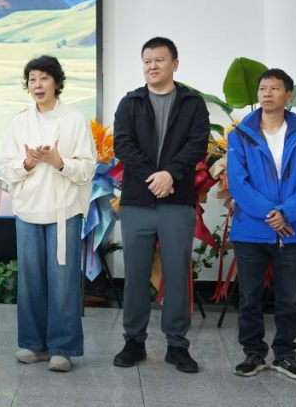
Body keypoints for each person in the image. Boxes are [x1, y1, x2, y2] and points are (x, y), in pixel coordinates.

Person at [112, 37, 209, 373]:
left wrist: (171, 174)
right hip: (137, 201)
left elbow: (197, 144)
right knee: (136, 274)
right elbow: (123, 145)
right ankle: (134, 341)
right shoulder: (130, 102)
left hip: (177, 202)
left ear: (175, 64)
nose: (152, 66)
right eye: (147, 61)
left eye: (159, 60)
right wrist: (154, 177)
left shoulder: (193, 103)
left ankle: (177, 345)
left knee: (177, 274)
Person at [0, 56, 95, 373]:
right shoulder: (19, 122)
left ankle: (62, 348)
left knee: (63, 280)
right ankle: (32, 344)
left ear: (56, 82)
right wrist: (27, 163)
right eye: (32, 79)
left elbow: (88, 169)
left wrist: (59, 161)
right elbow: (6, 168)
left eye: (43, 78)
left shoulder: (74, 120)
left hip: (63, 211)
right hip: (28, 210)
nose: (37, 85)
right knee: (30, 280)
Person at [226, 69, 296, 380]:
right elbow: (238, 183)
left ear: (288, 95)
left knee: (290, 299)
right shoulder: (240, 135)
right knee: (249, 298)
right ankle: (253, 353)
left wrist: (286, 213)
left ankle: (285, 356)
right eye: (263, 88)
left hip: (293, 230)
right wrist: (272, 214)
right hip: (252, 230)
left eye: (275, 88)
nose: (267, 93)